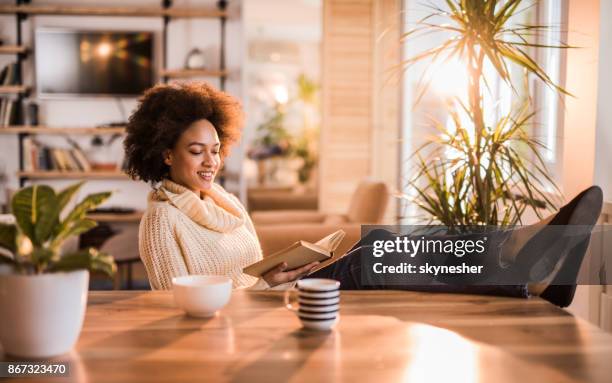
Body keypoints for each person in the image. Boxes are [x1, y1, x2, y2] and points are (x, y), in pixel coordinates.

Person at [124, 82, 602, 307]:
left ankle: (528, 262)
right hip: (254, 316)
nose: (211, 162)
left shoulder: (224, 202)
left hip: (273, 297)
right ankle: (525, 258)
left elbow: (246, 268)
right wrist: (269, 285)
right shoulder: (163, 220)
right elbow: (174, 307)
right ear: (165, 153)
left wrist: (284, 269)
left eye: (216, 150)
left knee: (389, 243)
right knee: (376, 252)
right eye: (196, 151)